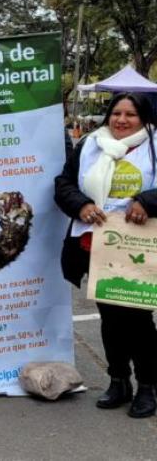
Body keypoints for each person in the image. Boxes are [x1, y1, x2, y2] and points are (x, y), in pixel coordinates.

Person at [55, 92, 157, 418]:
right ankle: (118, 380)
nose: (121, 120)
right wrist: (81, 205)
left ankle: (148, 386)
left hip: (139, 246)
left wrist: (147, 202)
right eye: (116, 113)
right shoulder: (90, 144)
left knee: (138, 319)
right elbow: (64, 184)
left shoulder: (155, 145)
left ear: (144, 118)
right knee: (111, 318)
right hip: (94, 245)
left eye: (130, 114)